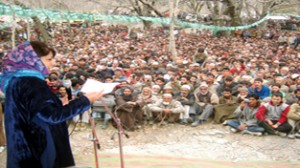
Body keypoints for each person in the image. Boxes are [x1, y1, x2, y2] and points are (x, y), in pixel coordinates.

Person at [0, 41, 103, 167]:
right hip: (38, 147)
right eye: (49, 59)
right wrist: (85, 100)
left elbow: (34, 109)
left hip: (24, 145)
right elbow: (52, 116)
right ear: (33, 60)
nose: (53, 63)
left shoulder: (17, 79)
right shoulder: (32, 83)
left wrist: (59, 104)